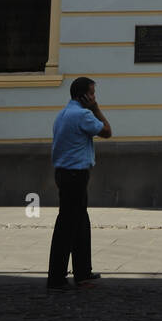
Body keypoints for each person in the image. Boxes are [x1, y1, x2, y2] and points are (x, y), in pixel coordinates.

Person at [46, 76, 112, 290]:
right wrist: (96, 108)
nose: (94, 97)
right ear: (82, 95)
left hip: (64, 174)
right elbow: (107, 132)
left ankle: (83, 271)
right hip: (75, 175)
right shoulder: (83, 115)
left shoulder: (62, 114)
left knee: (79, 223)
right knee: (68, 225)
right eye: (91, 93)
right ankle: (57, 278)